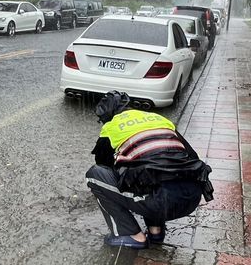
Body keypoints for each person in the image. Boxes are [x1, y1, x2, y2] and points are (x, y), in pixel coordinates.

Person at [86, 91, 214, 249]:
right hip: (193, 197)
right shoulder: (158, 119)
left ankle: (130, 235)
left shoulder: (111, 127)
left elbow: (103, 166)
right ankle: (156, 231)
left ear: (107, 116)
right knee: (152, 171)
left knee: (95, 176)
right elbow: (192, 155)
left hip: (160, 202)